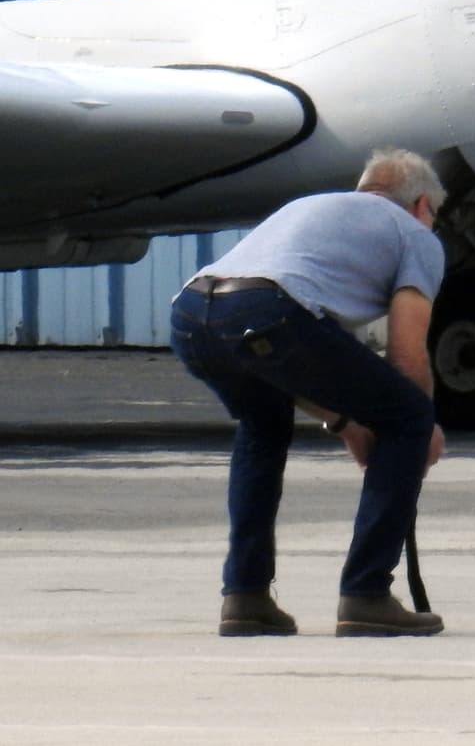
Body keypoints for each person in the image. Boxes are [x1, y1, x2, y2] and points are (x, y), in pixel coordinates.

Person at [170, 148, 448, 637]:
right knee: (407, 415)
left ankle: (246, 596)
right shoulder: (413, 235)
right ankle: (366, 593)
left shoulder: (311, 208)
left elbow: (290, 359)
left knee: (263, 423)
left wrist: (345, 423)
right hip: (269, 309)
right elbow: (407, 354)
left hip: (193, 314)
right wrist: (421, 426)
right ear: (423, 205)